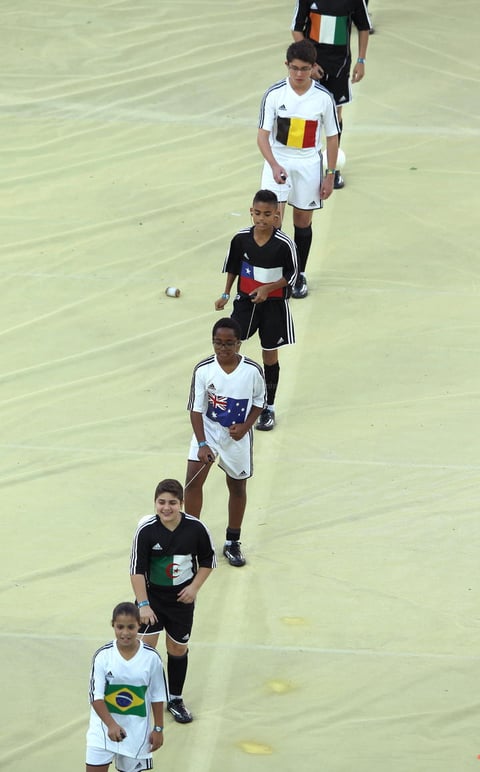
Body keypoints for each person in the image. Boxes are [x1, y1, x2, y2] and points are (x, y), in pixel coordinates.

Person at [257, 39, 340, 299]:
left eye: (305, 69)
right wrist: (273, 164)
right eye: (294, 68)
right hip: (278, 159)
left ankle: (298, 273)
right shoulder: (274, 94)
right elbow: (262, 136)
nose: (299, 74)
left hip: (307, 163)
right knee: (272, 221)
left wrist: (329, 175)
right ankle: (275, 275)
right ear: (287, 65)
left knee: (302, 222)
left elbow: (332, 138)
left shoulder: (323, 98)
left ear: (314, 67)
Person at [130, 479, 216, 724]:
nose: (166, 508)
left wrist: (194, 587)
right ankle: (142, 696)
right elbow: (136, 570)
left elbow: (208, 561)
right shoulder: (146, 530)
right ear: (155, 503)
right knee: (145, 647)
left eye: (172, 503)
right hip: (152, 599)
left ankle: (175, 699)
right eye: (161, 502)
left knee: (177, 648)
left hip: (181, 601)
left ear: (181, 503)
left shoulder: (196, 529)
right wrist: (143, 604)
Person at [184, 317, 266, 567]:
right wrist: (202, 444)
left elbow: (259, 402)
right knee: (193, 481)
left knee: (238, 486)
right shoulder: (204, 369)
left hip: (236, 437)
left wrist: (245, 427)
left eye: (229, 343)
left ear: (239, 344)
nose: (223, 348)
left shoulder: (252, 371)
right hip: (208, 431)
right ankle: (191, 541)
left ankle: (232, 541)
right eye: (218, 343)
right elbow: (196, 410)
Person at [215, 189, 297, 432]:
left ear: (277, 216)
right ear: (251, 212)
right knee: (229, 344)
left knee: (269, 356)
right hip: (245, 302)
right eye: (258, 213)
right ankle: (227, 397)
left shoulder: (284, 244)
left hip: (274, 306)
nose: (261, 218)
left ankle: (268, 406)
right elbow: (233, 267)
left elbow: (291, 276)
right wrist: (225, 294)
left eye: (268, 214)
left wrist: (268, 289)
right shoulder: (240, 239)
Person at [291, 0, 372, 188]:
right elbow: (296, 29)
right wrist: (309, 64)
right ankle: (299, 165)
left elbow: (363, 27)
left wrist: (361, 60)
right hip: (311, 66)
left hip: (339, 67)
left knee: (335, 116)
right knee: (302, 112)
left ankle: (332, 169)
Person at [86, 601, 167, 772]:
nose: (125, 633)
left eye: (131, 627)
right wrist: (111, 725)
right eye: (120, 627)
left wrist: (158, 728)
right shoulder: (103, 656)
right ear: (113, 625)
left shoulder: (151, 658)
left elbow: (158, 695)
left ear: (139, 624)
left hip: (136, 734)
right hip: (103, 731)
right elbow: (96, 697)